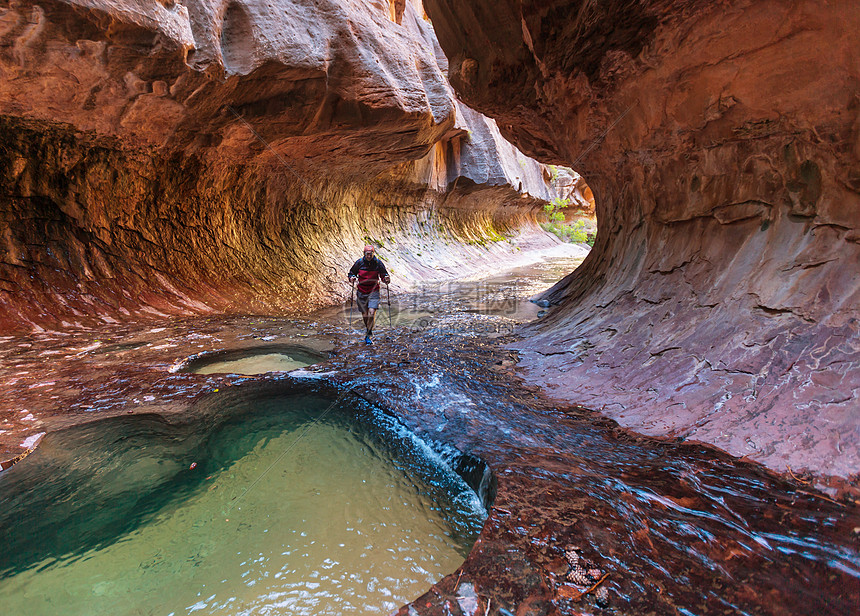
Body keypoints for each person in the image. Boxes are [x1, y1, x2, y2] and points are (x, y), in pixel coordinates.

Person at [348, 245, 390, 345]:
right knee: (365, 314)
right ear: (364, 254)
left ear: (373, 253)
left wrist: (386, 279)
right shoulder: (359, 263)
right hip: (361, 291)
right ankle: (368, 328)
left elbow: (384, 275)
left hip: (373, 291)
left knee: (371, 312)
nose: (369, 256)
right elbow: (351, 273)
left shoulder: (378, 263)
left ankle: (368, 334)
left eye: (371, 254)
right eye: (367, 254)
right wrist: (352, 278)